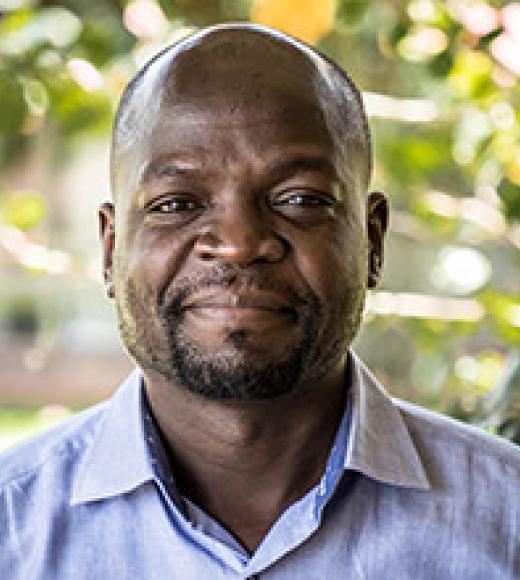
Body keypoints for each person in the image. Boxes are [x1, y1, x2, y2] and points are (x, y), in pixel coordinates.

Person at [1, 23, 519, 579]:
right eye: (176, 204)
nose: (239, 243)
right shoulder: (12, 528)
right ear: (111, 250)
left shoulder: (507, 520)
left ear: (372, 242)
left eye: (299, 199)